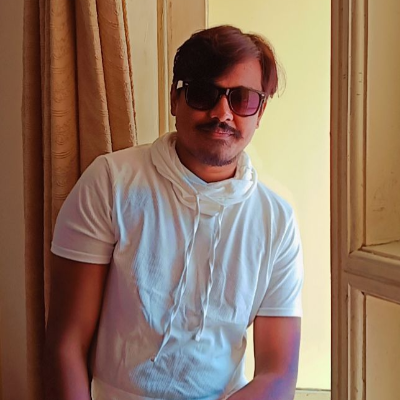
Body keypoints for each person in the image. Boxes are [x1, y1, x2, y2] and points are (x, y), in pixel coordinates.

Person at [45, 25, 303, 400]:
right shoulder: (112, 183)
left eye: (242, 99)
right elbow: (66, 342)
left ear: (260, 111)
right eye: (203, 94)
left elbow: (278, 374)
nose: (222, 113)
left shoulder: (276, 221)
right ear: (174, 99)